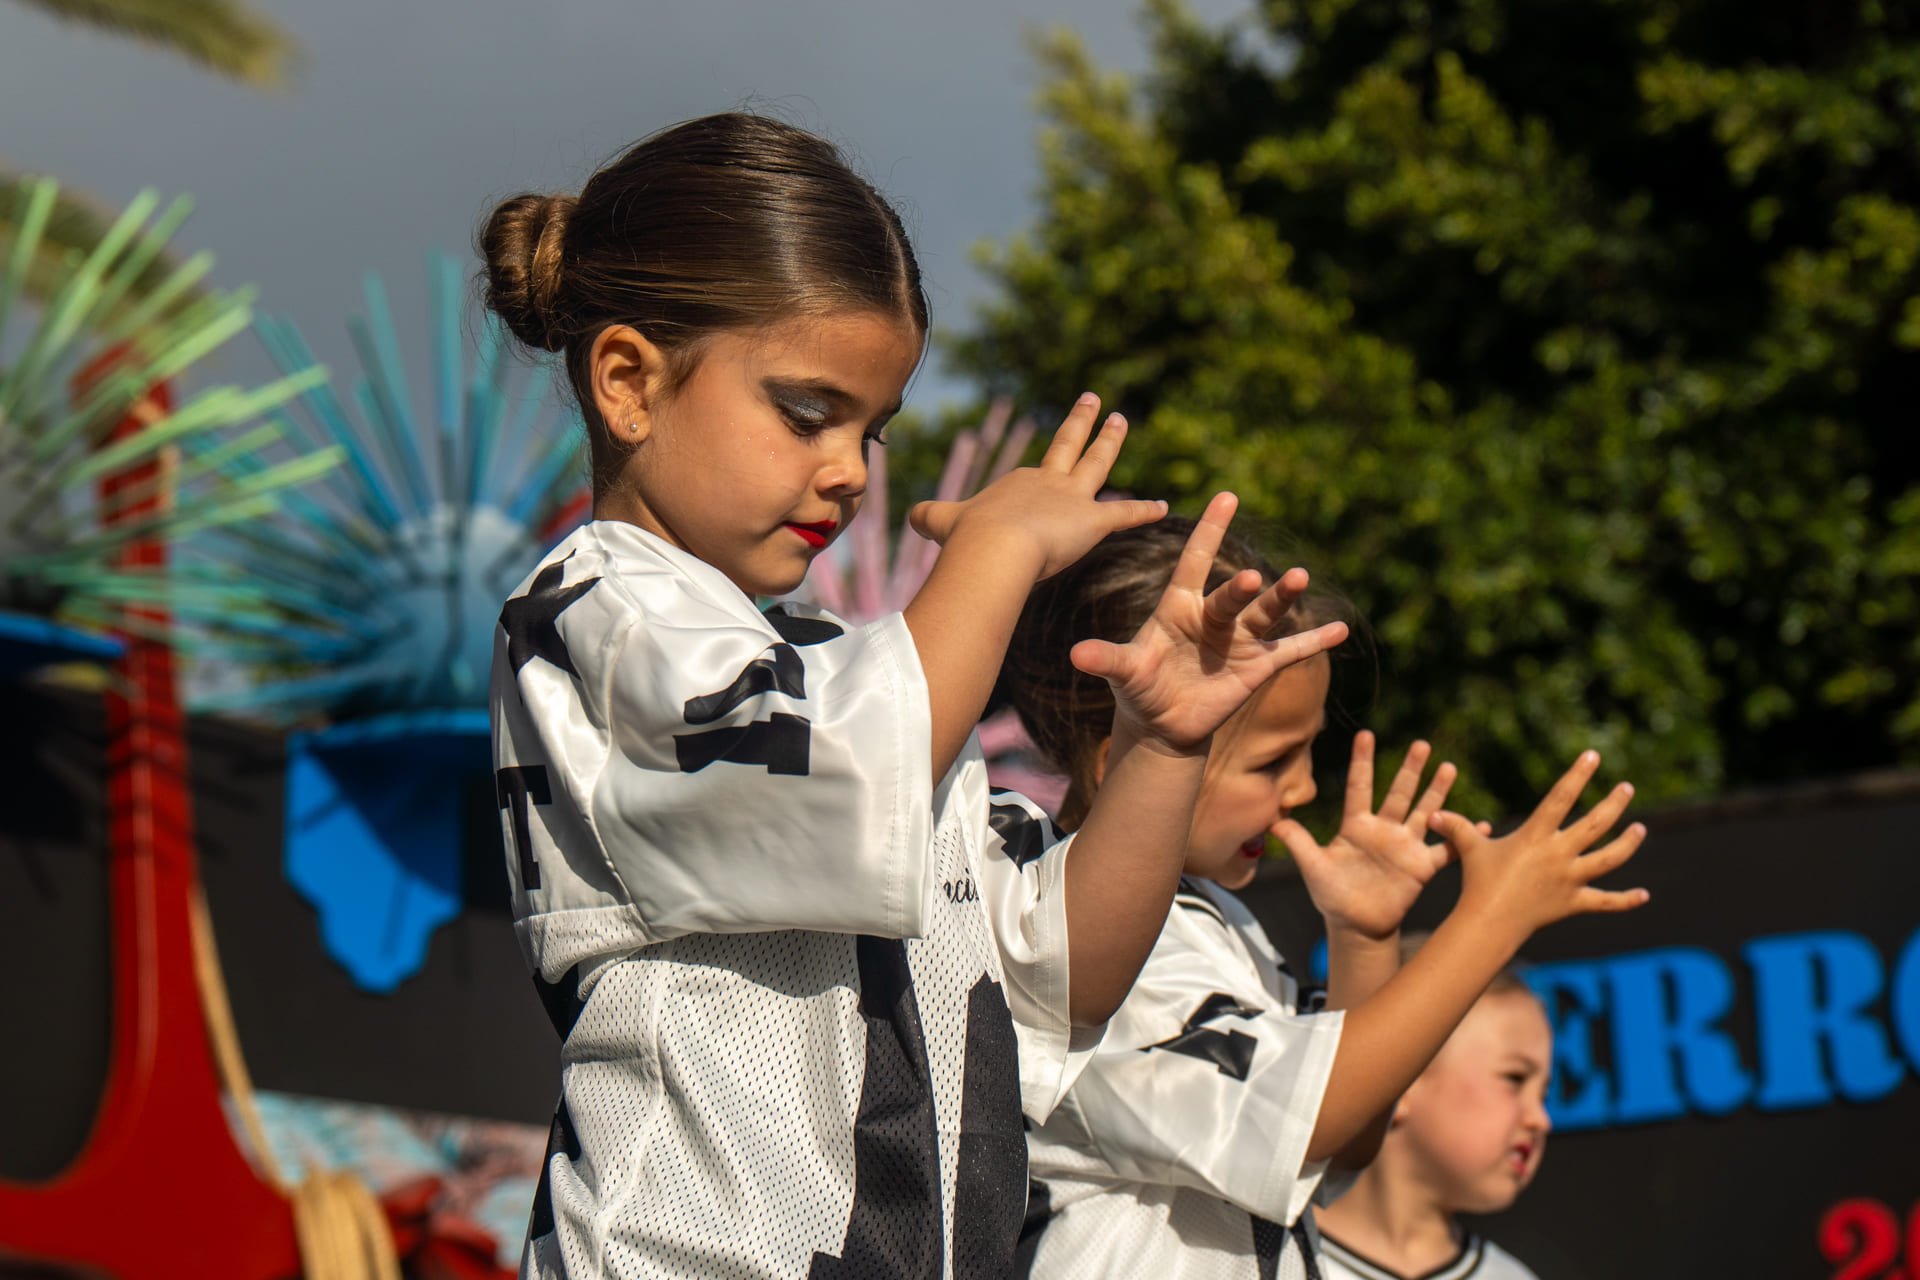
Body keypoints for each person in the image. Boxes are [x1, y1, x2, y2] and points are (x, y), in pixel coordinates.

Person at [479, 112, 1349, 1280]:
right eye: (806, 412)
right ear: (629, 382)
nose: (848, 468)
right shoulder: (596, 609)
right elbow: (841, 769)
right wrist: (998, 550)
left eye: (872, 429)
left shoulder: (860, 677)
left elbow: (1060, 972)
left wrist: (1164, 745)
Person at [1001, 519, 1647, 1279]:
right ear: (1128, 757)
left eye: (1309, 752)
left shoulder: (1218, 920)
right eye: (1272, 762)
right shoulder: (1088, 944)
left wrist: (1363, 940)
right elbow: (1309, 1122)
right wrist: (1493, 918)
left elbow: (1346, 1147)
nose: (1305, 789)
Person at [1316, 943, 1552, 1280]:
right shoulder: (1262, 1256)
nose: (1541, 1120)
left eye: (1544, 1094)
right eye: (1514, 1079)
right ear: (1401, 1079)